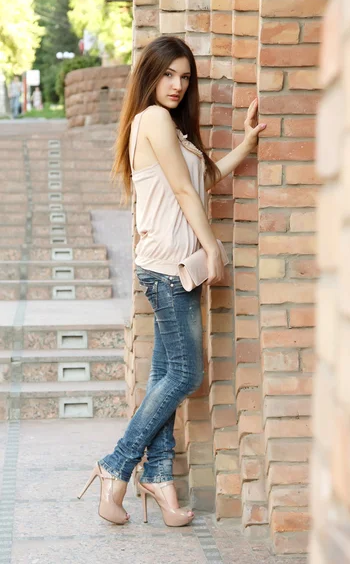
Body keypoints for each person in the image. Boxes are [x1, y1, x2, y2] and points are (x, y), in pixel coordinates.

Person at [77, 36, 266, 527]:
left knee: (166, 375)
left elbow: (202, 180)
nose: (178, 85)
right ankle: (117, 463)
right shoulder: (153, 120)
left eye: (185, 77)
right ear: (150, 76)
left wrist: (245, 144)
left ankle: (159, 477)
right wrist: (213, 246)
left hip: (171, 265)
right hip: (168, 267)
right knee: (187, 374)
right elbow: (183, 191)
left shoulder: (173, 131)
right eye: (169, 75)